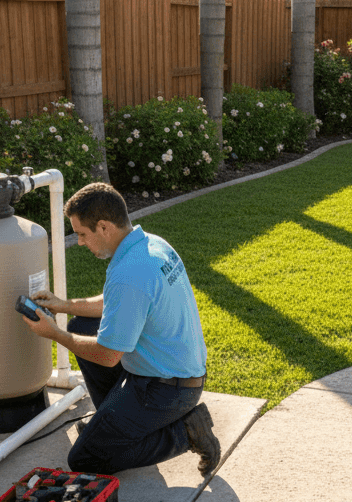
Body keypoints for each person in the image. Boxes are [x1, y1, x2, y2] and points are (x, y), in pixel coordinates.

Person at [20, 182, 219, 476]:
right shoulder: (148, 245)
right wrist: (64, 305)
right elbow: (117, 304)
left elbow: (107, 356)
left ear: (103, 227)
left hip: (168, 390)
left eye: (82, 235)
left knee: (85, 459)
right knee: (83, 324)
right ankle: (112, 424)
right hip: (173, 372)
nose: (81, 242)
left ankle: (186, 432)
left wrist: (54, 334)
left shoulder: (130, 273)